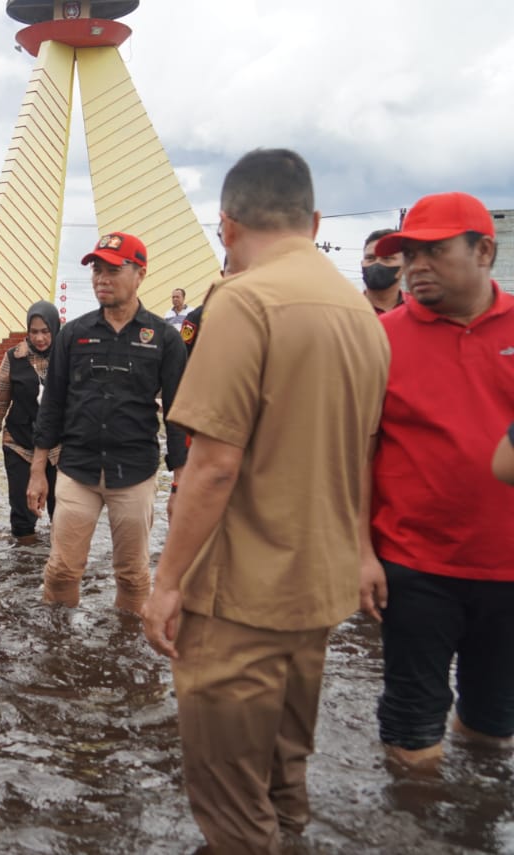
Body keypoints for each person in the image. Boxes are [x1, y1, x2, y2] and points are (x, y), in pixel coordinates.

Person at [140, 148, 389, 853]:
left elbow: (214, 464)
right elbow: (364, 450)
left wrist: (166, 583)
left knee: (228, 798)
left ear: (226, 226)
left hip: (239, 597)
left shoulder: (245, 300)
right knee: (285, 778)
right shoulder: (361, 312)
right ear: (313, 220)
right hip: (315, 592)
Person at [358, 192, 514, 773]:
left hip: (507, 569)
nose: (415, 265)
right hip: (414, 565)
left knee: (493, 732)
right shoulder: (382, 339)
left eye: (434, 251)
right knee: (411, 737)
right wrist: (359, 552)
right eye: (409, 253)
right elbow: (358, 454)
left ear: (484, 251)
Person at [28, 232, 187, 613]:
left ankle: (128, 652)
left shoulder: (164, 338)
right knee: (62, 570)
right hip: (77, 469)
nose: (102, 277)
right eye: (97, 269)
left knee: (133, 575)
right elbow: (52, 403)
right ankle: (56, 649)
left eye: (113, 269)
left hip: (134, 473)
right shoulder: (74, 334)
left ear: (140, 274)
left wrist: (182, 483)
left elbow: (179, 414)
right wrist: (37, 469)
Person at [0, 301, 61, 546]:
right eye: (34, 332)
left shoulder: (67, 357)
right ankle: (24, 564)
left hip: (60, 449)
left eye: (45, 331)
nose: (39, 338)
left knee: (62, 514)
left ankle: (57, 569)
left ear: (55, 329)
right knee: (22, 515)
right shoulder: (13, 357)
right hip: (20, 444)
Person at [361, 227, 406, 315]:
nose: (377, 264)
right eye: (370, 258)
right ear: (362, 263)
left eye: (387, 258)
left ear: (404, 266)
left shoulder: (421, 309)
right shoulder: (346, 310)